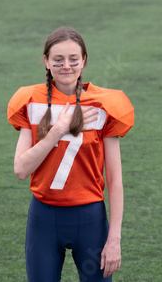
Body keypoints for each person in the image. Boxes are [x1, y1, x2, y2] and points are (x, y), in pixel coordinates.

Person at [7, 27, 134, 281]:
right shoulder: (30, 101)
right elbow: (21, 169)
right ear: (46, 61)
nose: (67, 66)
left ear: (84, 60)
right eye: (58, 60)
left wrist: (115, 238)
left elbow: (115, 179)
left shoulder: (103, 105)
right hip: (43, 217)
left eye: (73, 59)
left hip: (90, 219)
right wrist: (58, 131)